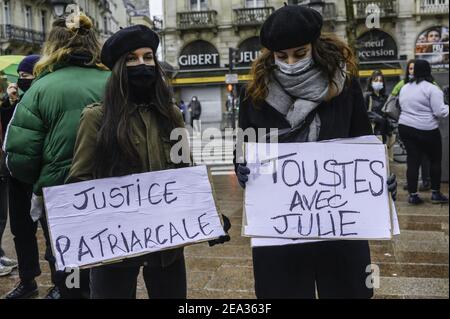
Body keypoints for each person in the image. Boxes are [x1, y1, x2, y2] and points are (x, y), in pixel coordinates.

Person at [234, 5, 397, 299]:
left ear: (316, 46)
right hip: (282, 226)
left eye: (300, 52)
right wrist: (243, 169)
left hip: (339, 222)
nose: (291, 62)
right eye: (281, 56)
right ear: (271, 54)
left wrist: (380, 179)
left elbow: (362, 139)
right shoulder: (254, 94)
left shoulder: (344, 85)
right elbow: (245, 147)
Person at [66, 25, 229, 299]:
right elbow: (80, 180)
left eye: (148, 57)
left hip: (167, 247)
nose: (142, 64)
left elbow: (186, 172)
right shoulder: (96, 118)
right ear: (118, 67)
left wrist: (208, 215)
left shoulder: (171, 115)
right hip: (116, 247)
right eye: (131, 59)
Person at [3, 14, 110, 299]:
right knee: (109, 267)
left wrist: (39, 179)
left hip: (61, 195)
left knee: (70, 269)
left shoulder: (40, 89)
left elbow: (19, 157)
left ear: (53, 44)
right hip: (111, 193)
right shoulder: (115, 81)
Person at [1, 55, 44, 299]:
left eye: (26, 75)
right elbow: (9, 136)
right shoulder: (13, 102)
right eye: (20, 75)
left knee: (49, 232)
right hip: (17, 175)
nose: (21, 79)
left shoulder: (42, 98)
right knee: (21, 231)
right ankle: (28, 281)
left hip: (39, 177)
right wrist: (10, 104)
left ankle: (62, 283)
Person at [398, 59, 449, 205]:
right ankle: (435, 194)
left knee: (412, 161)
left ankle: (413, 195)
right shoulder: (432, 89)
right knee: (434, 161)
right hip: (427, 129)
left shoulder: (405, 87)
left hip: (405, 127)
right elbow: (440, 112)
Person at [392, 60, 432, 192]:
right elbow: (391, 100)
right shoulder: (402, 84)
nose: (412, 71)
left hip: (425, 125)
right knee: (413, 157)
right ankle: (412, 184)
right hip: (408, 125)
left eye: (414, 69)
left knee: (425, 156)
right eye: (410, 69)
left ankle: (426, 181)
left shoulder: (429, 84)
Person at [364, 70, 392, 145]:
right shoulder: (367, 96)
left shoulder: (385, 97)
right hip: (372, 130)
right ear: (371, 82)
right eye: (376, 80)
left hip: (384, 130)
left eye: (380, 80)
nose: (378, 82)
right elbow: (364, 112)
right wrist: (377, 118)